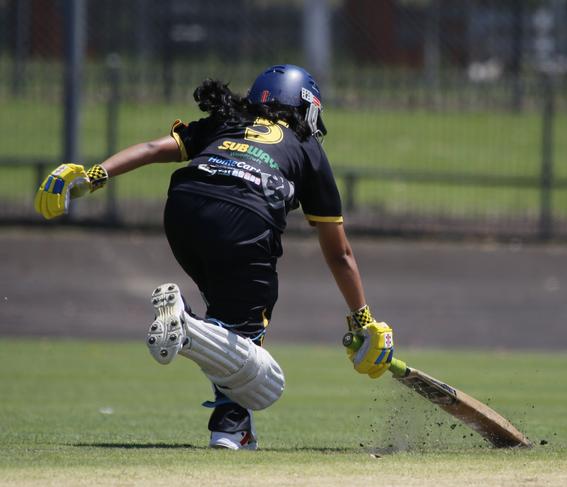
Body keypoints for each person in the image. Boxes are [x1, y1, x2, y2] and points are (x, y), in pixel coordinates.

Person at [34, 64, 395, 450]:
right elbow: (339, 253)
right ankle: (187, 327)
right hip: (244, 219)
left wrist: (93, 175)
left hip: (183, 209)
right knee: (247, 336)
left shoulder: (228, 120)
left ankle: (231, 427)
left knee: (228, 328)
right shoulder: (308, 149)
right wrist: (363, 320)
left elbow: (155, 149)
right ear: (303, 107)